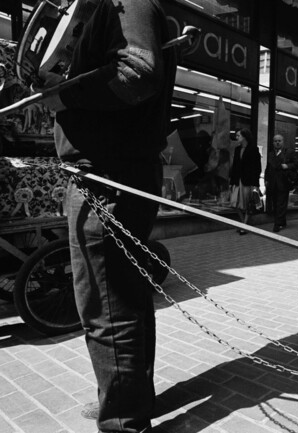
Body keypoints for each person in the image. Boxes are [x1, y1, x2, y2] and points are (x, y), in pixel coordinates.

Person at [37, 1, 177, 432]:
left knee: (107, 307)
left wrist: (64, 94)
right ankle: (129, 398)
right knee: (124, 299)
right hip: (115, 175)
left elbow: (138, 72)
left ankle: (123, 420)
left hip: (107, 180)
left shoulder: (127, 2)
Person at [229, 128, 261, 235]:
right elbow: (235, 166)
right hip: (238, 180)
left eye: (239, 136)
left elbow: (257, 168)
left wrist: (255, 184)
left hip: (248, 181)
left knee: (248, 203)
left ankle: (244, 225)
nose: (237, 137)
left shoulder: (253, 149)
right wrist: (232, 181)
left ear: (245, 137)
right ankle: (244, 223)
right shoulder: (237, 149)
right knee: (235, 203)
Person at [265, 134, 298, 232]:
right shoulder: (271, 154)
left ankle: (277, 224)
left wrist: (287, 166)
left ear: (283, 142)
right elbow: (268, 168)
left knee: (281, 203)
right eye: (275, 141)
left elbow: (297, 164)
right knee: (276, 204)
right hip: (272, 182)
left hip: (284, 182)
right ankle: (282, 221)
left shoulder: (289, 152)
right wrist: (266, 180)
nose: (277, 142)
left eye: (279, 141)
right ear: (273, 142)